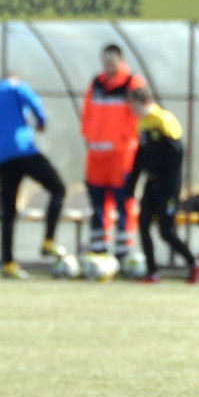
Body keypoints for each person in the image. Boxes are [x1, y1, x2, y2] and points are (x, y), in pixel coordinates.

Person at [0, 73, 66, 279]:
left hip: (2, 159)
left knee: (8, 211)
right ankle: (48, 241)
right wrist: (41, 120)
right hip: (24, 151)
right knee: (58, 189)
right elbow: (31, 99)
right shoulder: (14, 87)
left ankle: (9, 263)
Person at [125, 86, 199, 284]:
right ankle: (152, 271)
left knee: (166, 231)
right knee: (143, 225)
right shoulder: (143, 124)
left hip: (167, 186)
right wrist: (130, 186)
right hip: (151, 184)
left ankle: (194, 262)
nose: (133, 111)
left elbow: (177, 154)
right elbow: (140, 158)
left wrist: (169, 185)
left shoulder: (163, 120)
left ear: (146, 102)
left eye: (135, 106)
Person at [80, 44, 145, 259]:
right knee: (97, 204)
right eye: (105, 60)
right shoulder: (97, 82)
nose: (109, 64)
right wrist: (89, 136)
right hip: (96, 155)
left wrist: (123, 140)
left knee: (123, 202)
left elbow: (139, 114)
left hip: (120, 155)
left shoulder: (131, 82)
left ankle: (123, 252)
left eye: (112, 60)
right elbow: (87, 112)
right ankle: (98, 249)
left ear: (120, 59)